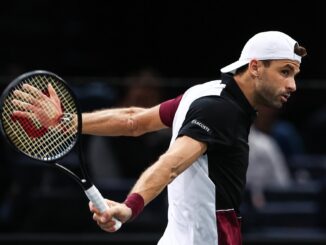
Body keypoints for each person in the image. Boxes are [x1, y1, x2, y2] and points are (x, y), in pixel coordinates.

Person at [11, 31, 307, 245]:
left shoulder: (203, 92)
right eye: (285, 72)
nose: (292, 84)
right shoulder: (222, 111)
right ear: (255, 67)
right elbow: (172, 163)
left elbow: (133, 121)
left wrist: (64, 123)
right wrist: (130, 207)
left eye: (294, 74)